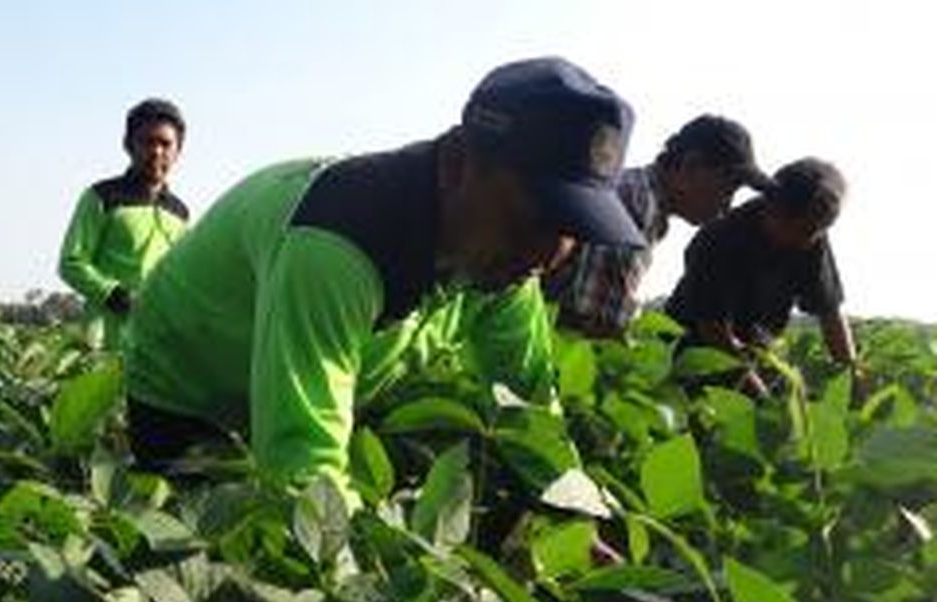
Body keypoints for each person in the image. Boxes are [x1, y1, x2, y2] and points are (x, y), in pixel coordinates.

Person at [124, 58, 645, 497]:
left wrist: (575, 510)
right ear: (459, 164)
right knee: (209, 550)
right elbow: (303, 466)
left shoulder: (508, 264)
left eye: (570, 227)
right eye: (532, 216)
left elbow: (529, 405)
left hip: (294, 380)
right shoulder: (337, 237)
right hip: (187, 382)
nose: (547, 254)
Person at [544, 115, 772, 337]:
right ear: (691, 166)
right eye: (726, 191)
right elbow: (597, 326)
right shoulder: (635, 206)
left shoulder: (642, 199)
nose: (726, 207)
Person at [665, 157, 856, 396]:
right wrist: (763, 400)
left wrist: (852, 380)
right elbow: (714, 332)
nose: (804, 242)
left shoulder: (809, 240)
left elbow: (830, 312)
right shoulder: (718, 239)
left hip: (752, 353)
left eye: (813, 233)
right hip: (694, 357)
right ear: (772, 208)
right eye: (798, 230)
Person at [58, 98, 190, 348]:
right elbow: (71, 262)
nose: (157, 151)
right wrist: (116, 296)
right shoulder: (102, 196)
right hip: (105, 340)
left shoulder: (180, 212)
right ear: (129, 145)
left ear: (178, 151)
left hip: (156, 343)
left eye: (165, 144)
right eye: (148, 142)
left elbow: (180, 277)